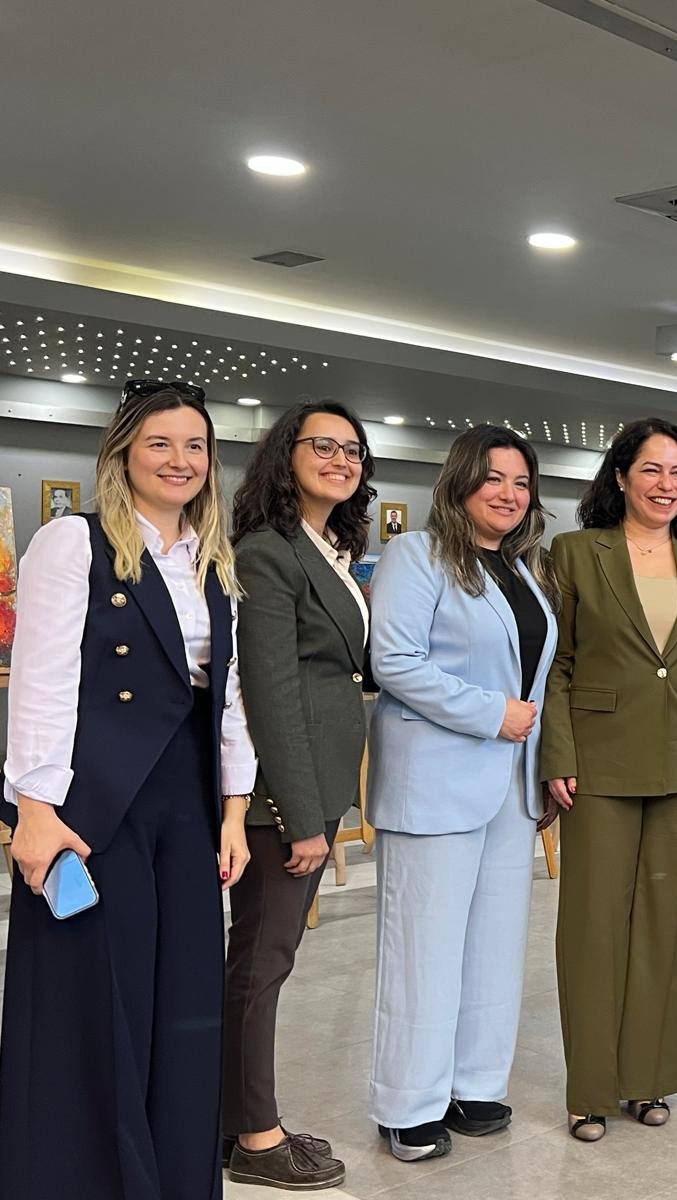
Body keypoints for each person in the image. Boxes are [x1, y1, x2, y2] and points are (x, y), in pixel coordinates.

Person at [0, 379, 255, 1200]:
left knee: (185, 1005)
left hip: (188, 802)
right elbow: (40, 679)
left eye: (195, 446)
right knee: (95, 1006)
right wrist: (33, 809)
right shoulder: (72, 542)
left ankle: (176, 1181)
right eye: (160, 443)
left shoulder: (213, 561)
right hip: (95, 808)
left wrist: (235, 811)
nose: (181, 460)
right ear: (122, 454)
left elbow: (230, 696)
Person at [540, 418, 677, 1142]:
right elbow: (556, 665)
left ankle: (648, 1078)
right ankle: (590, 1088)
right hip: (598, 761)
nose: (666, 484)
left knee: (668, 924)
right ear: (621, 476)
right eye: (652, 469)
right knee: (593, 925)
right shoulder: (575, 552)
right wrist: (558, 754)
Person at [366, 426, 558, 1163]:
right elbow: (395, 661)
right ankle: (408, 1105)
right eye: (493, 478)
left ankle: (474, 1085)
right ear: (460, 483)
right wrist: (491, 714)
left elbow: (535, 678)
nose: (509, 494)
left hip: (510, 785)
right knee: (424, 949)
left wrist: (539, 763)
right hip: (436, 782)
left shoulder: (522, 570)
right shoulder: (417, 555)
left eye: (521, 482)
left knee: (494, 947)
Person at [221, 402, 377, 1190]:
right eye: (323, 445)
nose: (341, 459)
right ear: (286, 455)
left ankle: (239, 1121)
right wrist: (302, 817)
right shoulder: (267, 552)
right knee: (261, 963)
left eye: (353, 450)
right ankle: (254, 1136)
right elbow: (270, 691)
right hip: (283, 799)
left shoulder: (327, 547)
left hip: (314, 785)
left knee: (265, 960)